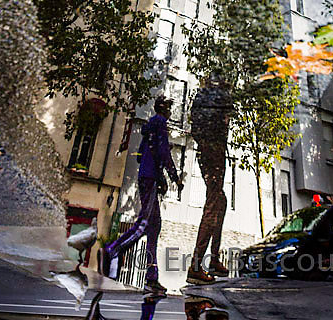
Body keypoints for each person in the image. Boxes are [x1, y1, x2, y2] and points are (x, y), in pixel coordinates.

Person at [99, 95, 183, 294]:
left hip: (146, 177)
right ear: (163, 109)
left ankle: (151, 277)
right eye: (169, 108)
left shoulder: (150, 127)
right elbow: (163, 154)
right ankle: (112, 250)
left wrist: (158, 170)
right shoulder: (160, 123)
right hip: (150, 178)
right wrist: (174, 178)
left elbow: (141, 156)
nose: (170, 112)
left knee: (154, 226)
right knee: (144, 224)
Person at [186, 78, 233, 285]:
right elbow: (218, 126)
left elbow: (196, 127)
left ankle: (213, 259)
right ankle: (196, 266)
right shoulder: (219, 97)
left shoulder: (204, 96)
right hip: (213, 154)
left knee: (220, 201)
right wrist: (213, 146)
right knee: (213, 204)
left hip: (208, 153)